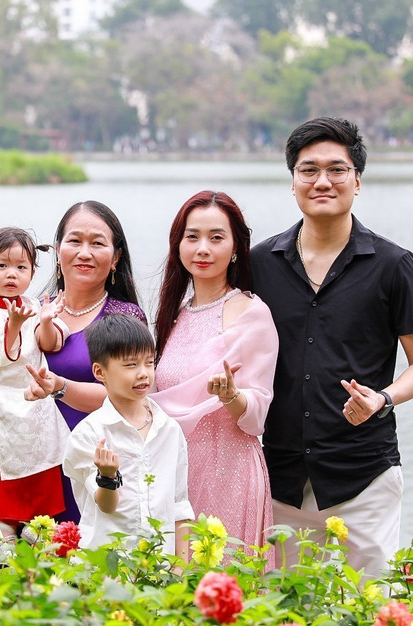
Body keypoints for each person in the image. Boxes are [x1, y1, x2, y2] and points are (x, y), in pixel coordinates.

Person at [249, 117, 413, 576]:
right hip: (281, 475)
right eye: (308, 170)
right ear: (292, 182)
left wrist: (384, 397)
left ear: (357, 181)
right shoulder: (260, 264)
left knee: (370, 607)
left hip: (363, 475)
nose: (322, 181)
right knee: (287, 611)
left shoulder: (393, 265)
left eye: (337, 169)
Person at [150, 190, 278, 566]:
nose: (202, 248)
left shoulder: (251, 314)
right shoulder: (174, 315)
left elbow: (257, 414)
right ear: (178, 245)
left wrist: (232, 396)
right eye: (192, 237)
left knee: (226, 589)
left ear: (236, 248)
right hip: (176, 469)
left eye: (216, 237)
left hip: (229, 467)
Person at [25, 200, 146, 522]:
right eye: (75, 241)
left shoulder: (125, 318)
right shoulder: (32, 313)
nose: (84, 252)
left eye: (98, 243)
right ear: (57, 249)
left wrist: (60, 387)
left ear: (116, 256)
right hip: (35, 465)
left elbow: (132, 398)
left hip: (98, 465)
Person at [0, 227, 71, 531]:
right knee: (8, 469)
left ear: (33, 272)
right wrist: (12, 324)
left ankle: (40, 528)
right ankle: (4, 532)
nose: (12, 274)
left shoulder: (36, 306)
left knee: (42, 464)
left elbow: (49, 343)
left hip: (34, 401)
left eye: (21, 267)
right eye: (2, 266)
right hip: (1, 401)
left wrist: (47, 321)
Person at [63, 314, 194, 556]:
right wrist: (108, 476)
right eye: (131, 365)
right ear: (100, 372)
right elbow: (107, 505)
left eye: (149, 362)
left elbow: (179, 505)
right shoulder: (89, 435)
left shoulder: (169, 429)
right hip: (108, 570)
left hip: (160, 570)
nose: (143, 373)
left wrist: (183, 571)